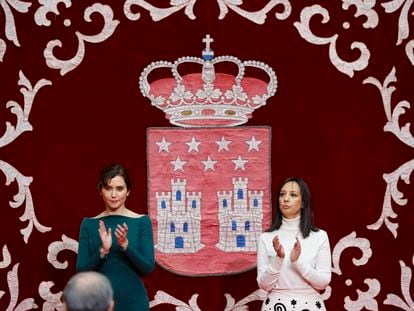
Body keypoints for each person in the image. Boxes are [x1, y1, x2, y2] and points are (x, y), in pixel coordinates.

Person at [76, 163, 155, 311]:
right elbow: (81, 270)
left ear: (128, 191)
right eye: (108, 188)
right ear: (100, 191)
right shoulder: (89, 224)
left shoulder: (141, 222)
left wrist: (126, 245)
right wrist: (102, 251)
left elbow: (148, 268)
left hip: (134, 303)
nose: (114, 195)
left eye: (119, 189)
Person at [257, 177, 331, 311]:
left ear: (303, 202)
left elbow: (323, 282)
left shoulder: (319, 236)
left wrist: (297, 262)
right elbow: (264, 285)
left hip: (310, 306)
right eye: (282, 194)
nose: (285, 199)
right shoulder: (266, 237)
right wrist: (278, 259)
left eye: (293, 195)